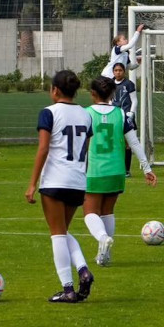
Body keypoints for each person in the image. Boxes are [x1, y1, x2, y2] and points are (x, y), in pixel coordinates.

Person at [25, 70, 95, 303]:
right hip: (77, 181)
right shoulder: (86, 115)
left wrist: (32, 184)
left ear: (55, 90)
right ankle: (83, 270)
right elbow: (85, 149)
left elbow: (43, 149)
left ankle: (68, 289)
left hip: (55, 181)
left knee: (57, 235)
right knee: (63, 231)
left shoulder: (49, 113)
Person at [84, 76, 156, 266]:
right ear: (112, 94)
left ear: (92, 94)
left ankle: (102, 238)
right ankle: (104, 256)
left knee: (90, 211)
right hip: (117, 170)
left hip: (96, 169)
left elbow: (81, 145)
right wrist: (146, 168)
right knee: (108, 211)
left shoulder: (87, 113)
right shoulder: (121, 114)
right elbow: (133, 143)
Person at [110, 62, 138, 177]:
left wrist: (131, 113)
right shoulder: (110, 83)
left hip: (126, 116)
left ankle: (126, 170)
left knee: (127, 143)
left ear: (124, 71)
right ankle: (115, 168)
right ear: (113, 72)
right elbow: (110, 99)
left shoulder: (129, 84)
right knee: (115, 142)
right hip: (115, 116)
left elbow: (134, 100)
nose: (118, 72)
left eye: (120, 70)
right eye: (116, 70)